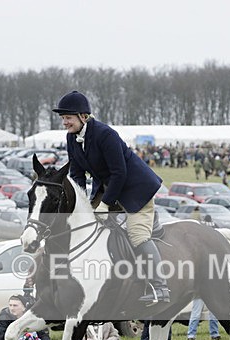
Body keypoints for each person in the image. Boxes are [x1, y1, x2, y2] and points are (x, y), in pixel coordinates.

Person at [52, 90, 169, 304]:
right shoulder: (71, 138)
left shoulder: (106, 135)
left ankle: (160, 288)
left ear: (83, 116)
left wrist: (104, 205)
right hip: (108, 189)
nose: (64, 123)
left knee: (137, 236)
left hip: (136, 191)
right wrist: (84, 204)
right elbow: (77, 174)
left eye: (67, 118)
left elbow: (120, 173)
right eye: (63, 119)